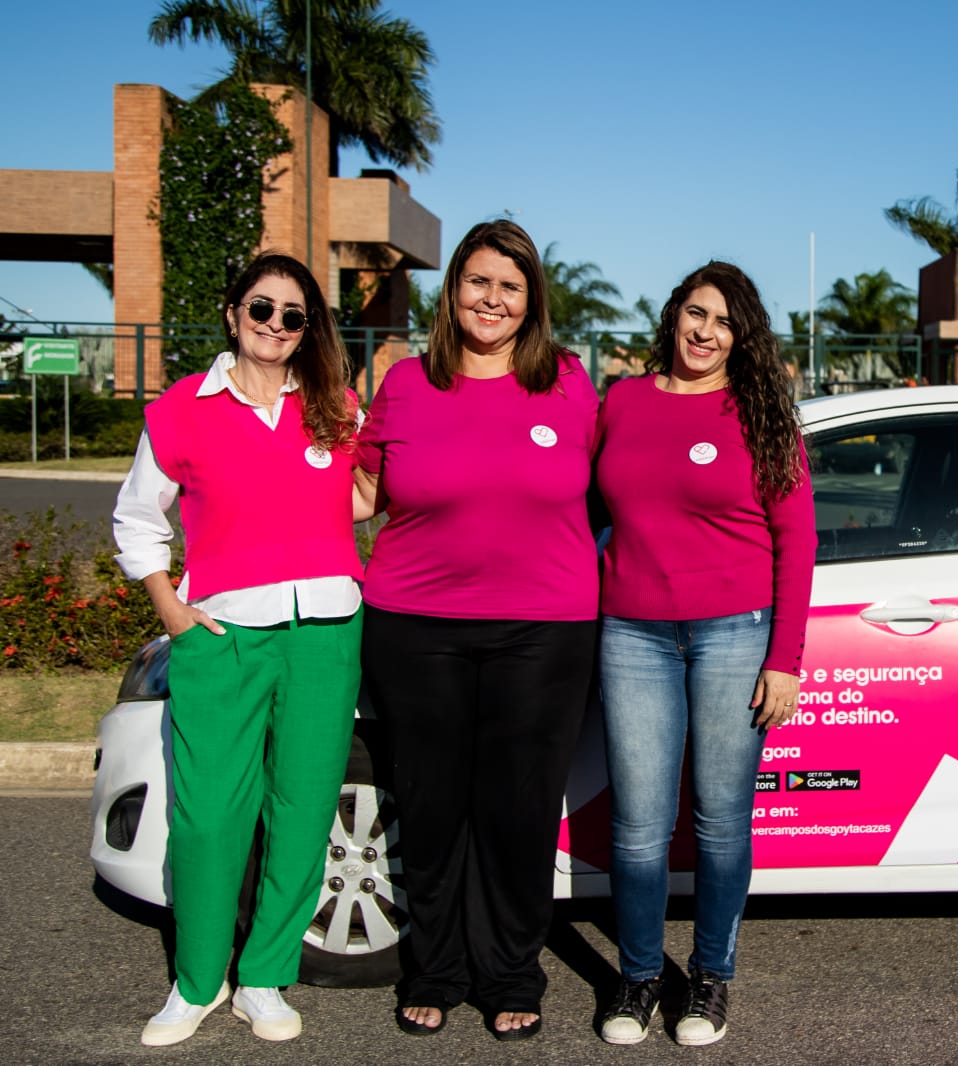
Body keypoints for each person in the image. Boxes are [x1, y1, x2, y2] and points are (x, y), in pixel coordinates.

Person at [112, 252, 366, 1046]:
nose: (277, 327)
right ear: (233, 314)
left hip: (326, 631)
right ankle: (196, 982)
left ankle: (263, 976)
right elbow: (137, 520)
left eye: (295, 316)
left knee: (300, 814)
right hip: (220, 636)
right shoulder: (183, 409)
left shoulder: (335, 406)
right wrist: (173, 611)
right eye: (263, 309)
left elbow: (366, 500)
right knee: (209, 819)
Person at [354, 219, 598, 1041]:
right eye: (478, 282)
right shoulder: (406, 384)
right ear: (453, 288)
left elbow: (626, 485)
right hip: (415, 626)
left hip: (544, 630)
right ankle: (437, 968)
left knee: (519, 810)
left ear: (532, 302)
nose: (491, 300)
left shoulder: (568, 383)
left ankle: (509, 972)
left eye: (510, 286)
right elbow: (356, 492)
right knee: (431, 807)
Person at [594, 261, 816, 1047]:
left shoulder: (758, 414)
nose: (705, 331)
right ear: (673, 316)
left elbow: (797, 539)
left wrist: (783, 656)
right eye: (695, 313)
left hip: (734, 633)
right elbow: (583, 512)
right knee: (638, 827)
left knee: (721, 823)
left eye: (723, 321)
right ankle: (639, 977)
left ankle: (712, 976)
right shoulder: (621, 402)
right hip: (632, 634)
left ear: (742, 336)